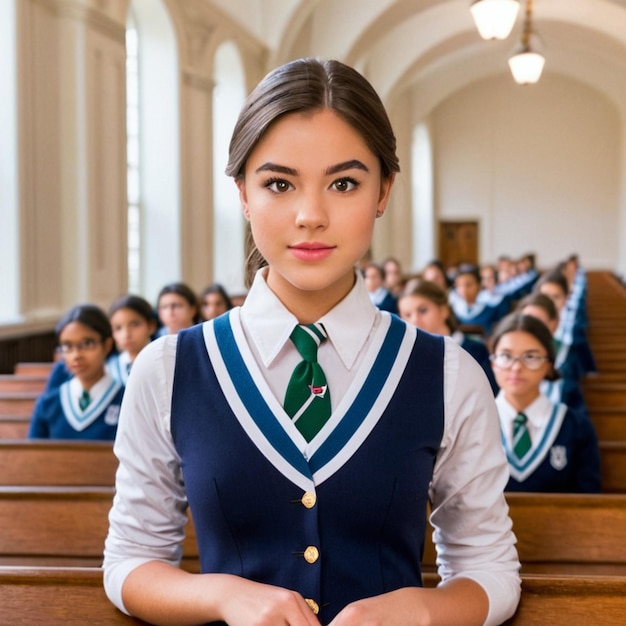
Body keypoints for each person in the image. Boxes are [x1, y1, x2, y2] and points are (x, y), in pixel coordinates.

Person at [104, 57, 520, 626]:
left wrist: (420, 608)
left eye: (344, 183)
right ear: (243, 194)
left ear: (384, 190)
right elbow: (130, 560)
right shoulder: (169, 369)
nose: (310, 215)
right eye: (278, 183)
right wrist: (226, 596)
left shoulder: (448, 373)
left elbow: (490, 569)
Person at [490, 312, 601, 493]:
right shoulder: (471, 423)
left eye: (531, 357)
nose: (516, 367)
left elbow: (588, 505)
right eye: (506, 356)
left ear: (549, 365)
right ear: (493, 363)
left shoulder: (576, 426)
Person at [29, 304, 124, 440]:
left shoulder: (127, 400)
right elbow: (33, 457)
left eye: (87, 344)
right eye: (67, 346)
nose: (76, 355)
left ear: (107, 345)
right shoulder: (47, 404)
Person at [398, 280, 498, 394]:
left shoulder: (476, 350)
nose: (415, 320)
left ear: (444, 310)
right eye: (407, 315)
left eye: (422, 310)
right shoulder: (406, 357)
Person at [107, 294, 158, 384]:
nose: (126, 334)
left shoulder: (163, 362)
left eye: (134, 324)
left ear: (151, 326)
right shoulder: (110, 368)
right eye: (118, 328)